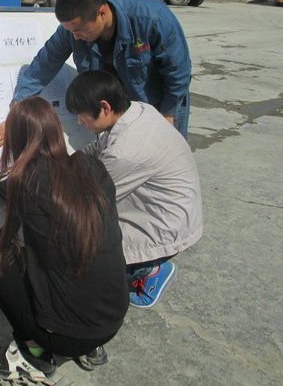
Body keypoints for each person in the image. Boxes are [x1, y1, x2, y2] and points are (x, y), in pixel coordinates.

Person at [0, 96, 128, 381]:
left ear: (17, 140)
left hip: (67, 336)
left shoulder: (26, 180)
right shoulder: (92, 166)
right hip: (112, 320)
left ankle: (34, 354)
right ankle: (91, 347)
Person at [0, 0, 191, 150]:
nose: (75, 37)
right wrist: (17, 111)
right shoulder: (72, 31)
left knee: (165, 160)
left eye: (79, 30)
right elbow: (43, 65)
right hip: (118, 111)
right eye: (70, 31)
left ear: (101, 13)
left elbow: (178, 71)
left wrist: (167, 113)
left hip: (160, 106)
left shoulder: (152, 19)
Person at [65, 70, 203, 309]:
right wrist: (66, 162)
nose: (79, 122)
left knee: (80, 252)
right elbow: (97, 149)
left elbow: (86, 198)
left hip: (165, 226)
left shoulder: (126, 152)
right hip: (171, 208)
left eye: (81, 115)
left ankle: (150, 270)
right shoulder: (139, 111)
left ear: (104, 107)